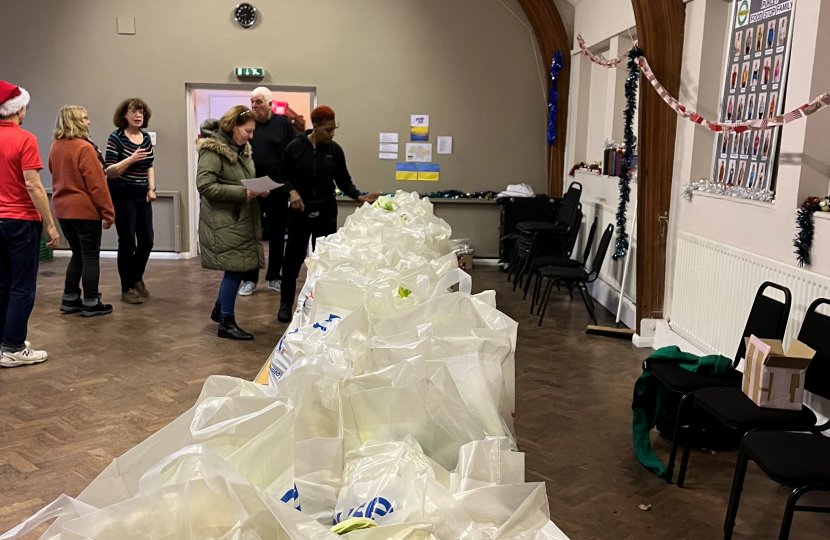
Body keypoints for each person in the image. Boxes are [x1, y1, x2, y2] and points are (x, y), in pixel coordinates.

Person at [278, 106, 381, 323]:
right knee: (293, 260)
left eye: (334, 129)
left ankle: (320, 305)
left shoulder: (334, 150)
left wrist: (358, 197)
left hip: (325, 211)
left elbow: (343, 179)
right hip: (299, 212)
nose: (332, 133)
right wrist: (292, 191)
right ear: (315, 127)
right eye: (328, 129)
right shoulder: (294, 148)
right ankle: (286, 304)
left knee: (325, 262)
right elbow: (283, 176)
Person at [0, 81, 60, 367]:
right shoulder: (26, 139)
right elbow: (33, 185)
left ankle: (4, 341)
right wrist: (50, 224)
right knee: (22, 287)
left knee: (2, 283)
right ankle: (12, 347)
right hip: (21, 220)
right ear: (19, 109)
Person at [197, 106, 268, 340]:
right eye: (247, 130)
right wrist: (243, 193)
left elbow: (243, 180)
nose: (251, 136)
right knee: (235, 269)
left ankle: (220, 310)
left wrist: (259, 189)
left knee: (237, 268)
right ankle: (225, 322)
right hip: (224, 220)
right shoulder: (213, 150)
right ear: (233, 127)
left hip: (240, 218)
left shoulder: (241, 149)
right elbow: (205, 185)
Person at [49, 106, 116, 317]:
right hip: (85, 210)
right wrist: (108, 212)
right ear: (76, 122)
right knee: (89, 256)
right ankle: (91, 301)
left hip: (62, 209)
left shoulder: (56, 146)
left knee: (77, 254)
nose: (88, 122)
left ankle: (69, 297)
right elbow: (97, 185)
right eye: (85, 118)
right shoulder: (84, 148)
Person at [238, 87, 295, 297]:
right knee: (251, 234)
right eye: (252, 102)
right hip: (252, 188)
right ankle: (249, 280)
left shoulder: (283, 125)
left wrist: (290, 187)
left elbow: (292, 156)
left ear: (270, 104)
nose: (254, 106)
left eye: (258, 102)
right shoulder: (246, 125)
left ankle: (274, 277)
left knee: (277, 234)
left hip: (277, 189)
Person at [105, 98, 155, 305]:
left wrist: (151, 188)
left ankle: (136, 276)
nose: (138, 115)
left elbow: (150, 165)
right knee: (127, 242)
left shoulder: (145, 138)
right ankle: (127, 288)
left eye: (141, 112)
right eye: (134, 112)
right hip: (122, 193)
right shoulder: (116, 138)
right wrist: (131, 159)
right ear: (124, 115)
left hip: (142, 193)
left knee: (147, 240)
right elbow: (109, 171)